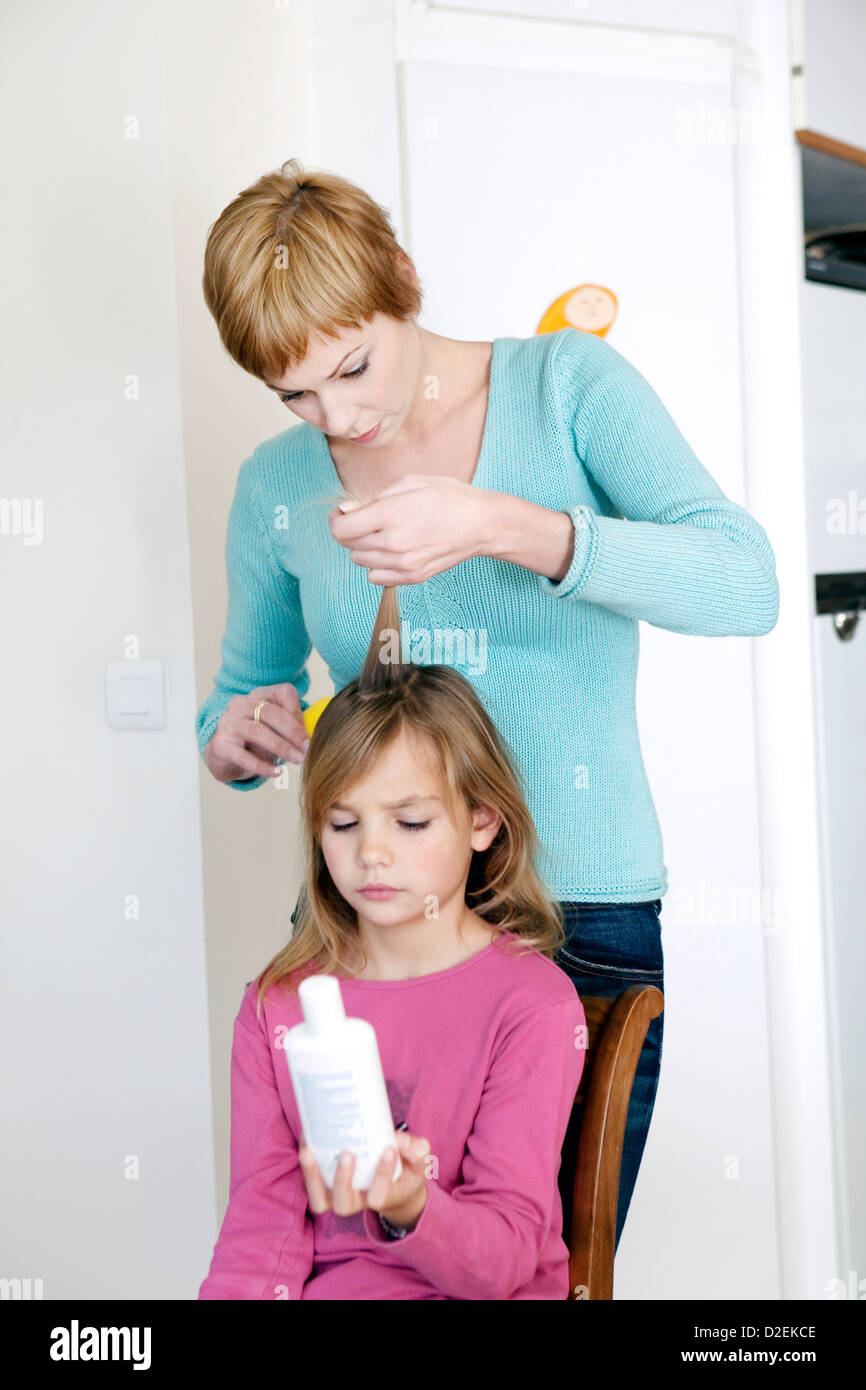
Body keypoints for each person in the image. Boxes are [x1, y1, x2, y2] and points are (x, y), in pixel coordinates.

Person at [195, 157, 780, 1249]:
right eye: (296, 393)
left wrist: (503, 526)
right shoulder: (277, 484)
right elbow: (240, 698)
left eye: (355, 366)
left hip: (572, 917)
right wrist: (236, 737)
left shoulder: (567, 389)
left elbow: (744, 583)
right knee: (339, 1262)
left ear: (404, 279)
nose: (341, 415)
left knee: (524, 1267)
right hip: (359, 930)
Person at [198, 585, 586, 1300]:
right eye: (343, 825)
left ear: (482, 823)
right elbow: (261, 1236)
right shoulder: (275, 1007)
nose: (371, 854)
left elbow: (503, 1262)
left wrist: (412, 1206)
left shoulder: (531, 1004)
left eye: (409, 823)